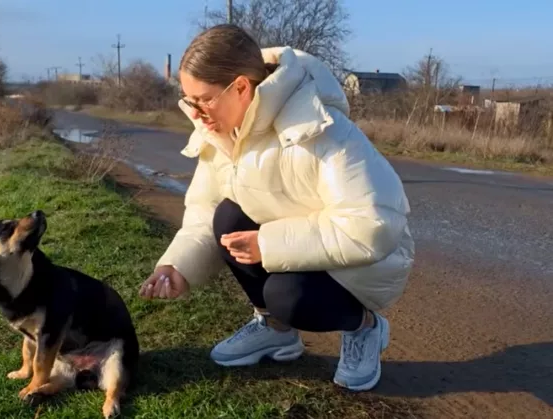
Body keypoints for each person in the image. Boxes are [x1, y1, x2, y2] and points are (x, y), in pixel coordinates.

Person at [138, 24, 415, 392]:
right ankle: (276, 330)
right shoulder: (221, 132)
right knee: (227, 216)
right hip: (297, 248)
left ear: (240, 88)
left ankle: (364, 326)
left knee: (287, 296)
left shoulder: (321, 128)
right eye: (188, 100)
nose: (196, 112)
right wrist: (178, 266)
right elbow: (205, 211)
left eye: (203, 99)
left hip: (362, 265)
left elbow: (373, 224)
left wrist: (267, 244)